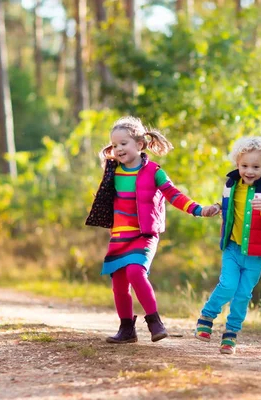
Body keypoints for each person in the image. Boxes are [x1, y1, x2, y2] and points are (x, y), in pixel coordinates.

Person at [85, 116, 220, 344]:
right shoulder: (113, 172)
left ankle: (154, 321)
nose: (118, 149)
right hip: (119, 235)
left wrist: (199, 210)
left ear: (139, 144)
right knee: (118, 283)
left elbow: (174, 195)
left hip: (144, 234)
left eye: (123, 144)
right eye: (115, 145)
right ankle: (127, 329)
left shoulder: (154, 172)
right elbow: (104, 199)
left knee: (135, 272)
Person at [195, 137, 261, 354]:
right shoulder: (231, 184)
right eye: (244, 166)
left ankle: (230, 334)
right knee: (227, 285)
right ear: (237, 164)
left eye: (256, 167)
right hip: (233, 248)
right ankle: (207, 316)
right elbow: (228, 205)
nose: (249, 171)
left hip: (256, 253)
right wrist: (217, 207)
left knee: (243, 294)